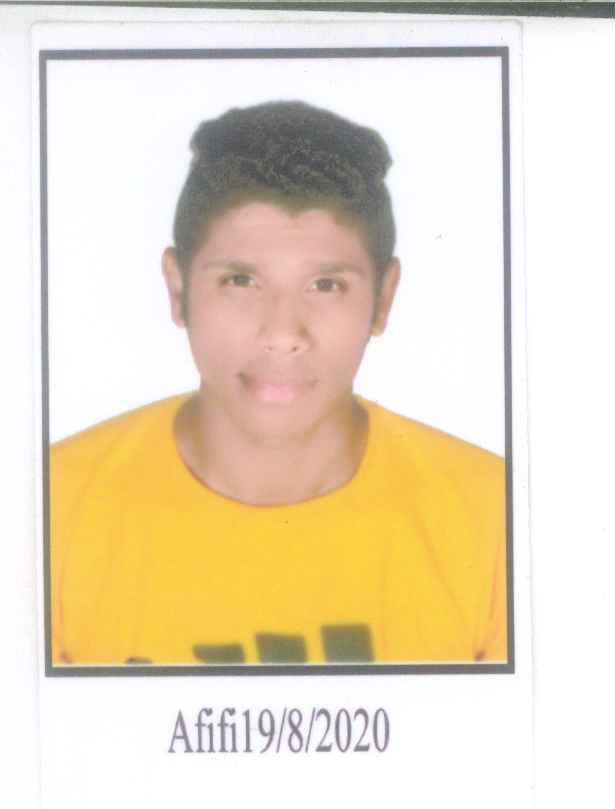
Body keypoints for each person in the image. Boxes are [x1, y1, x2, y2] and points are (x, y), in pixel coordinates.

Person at [50, 101, 507, 666]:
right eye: (240, 281)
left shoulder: (495, 520)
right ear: (178, 289)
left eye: (326, 285)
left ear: (383, 298)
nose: (283, 334)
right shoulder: (48, 510)